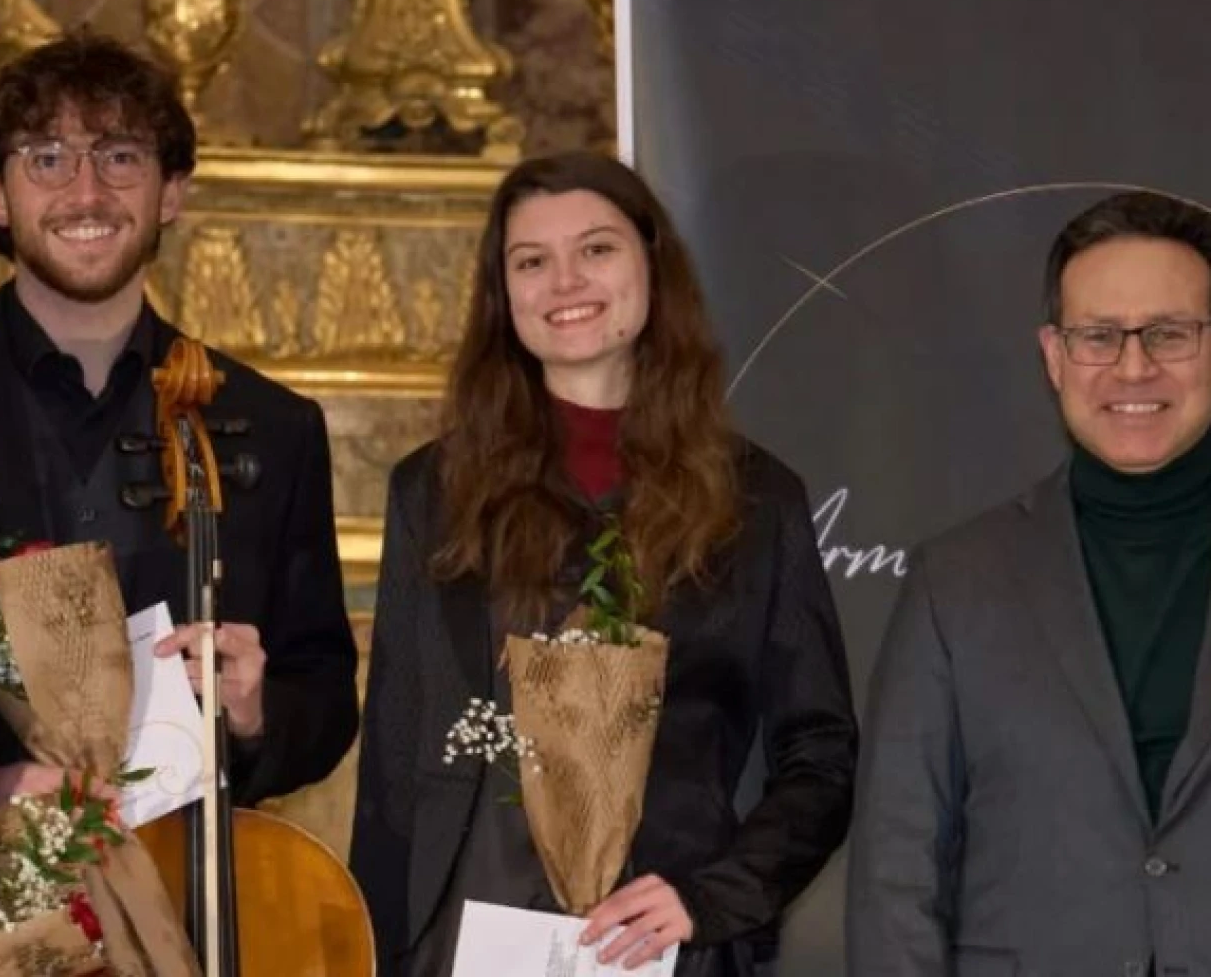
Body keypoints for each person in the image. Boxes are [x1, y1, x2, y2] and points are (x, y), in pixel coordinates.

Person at [349, 152, 857, 977]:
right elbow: (397, 763)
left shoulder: (757, 499)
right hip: (465, 944)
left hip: (671, 945)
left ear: (652, 265)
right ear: (500, 295)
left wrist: (715, 896)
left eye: (596, 249)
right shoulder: (432, 491)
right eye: (531, 261)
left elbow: (821, 752)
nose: (564, 281)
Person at [0, 30, 359, 806]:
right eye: (48, 158)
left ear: (171, 193)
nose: (87, 193)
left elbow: (325, 701)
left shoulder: (273, 423)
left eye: (122, 156)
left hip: (190, 886)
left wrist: (257, 713)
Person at [848, 191, 1211, 977]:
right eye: (1099, 337)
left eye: (1171, 333)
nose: (1133, 366)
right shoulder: (956, 582)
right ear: (1053, 356)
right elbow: (895, 872)